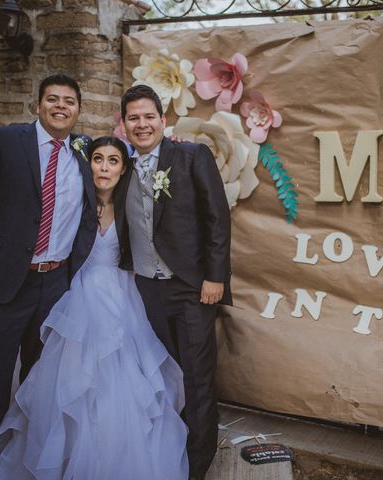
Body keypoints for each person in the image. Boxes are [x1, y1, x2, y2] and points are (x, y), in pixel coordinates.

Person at [0, 136, 188, 479]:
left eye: (113, 161)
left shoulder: (132, 205)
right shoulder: (76, 201)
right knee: (73, 377)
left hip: (122, 293)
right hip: (78, 292)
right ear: (88, 163)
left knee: (121, 377)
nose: (104, 167)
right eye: (98, 159)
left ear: (123, 169)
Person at [0, 74, 98, 480]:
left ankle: (26, 461)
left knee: (40, 383)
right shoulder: (5, 141)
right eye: (52, 99)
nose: (61, 106)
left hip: (56, 285)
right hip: (7, 281)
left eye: (69, 100)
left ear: (78, 110)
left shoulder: (83, 155)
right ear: (37, 106)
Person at [115, 84, 232, 480]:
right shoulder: (121, 168)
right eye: (134, 118)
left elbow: (218, 218)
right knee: (163, 373)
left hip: (192, 286)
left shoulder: (191, 154)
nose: (142, 124)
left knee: (197, 377)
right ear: (124, 124)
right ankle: (167, 452)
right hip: (146, 289)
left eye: (149, 116)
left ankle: (197, 467)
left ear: (163, 121)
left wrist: (215, 277)